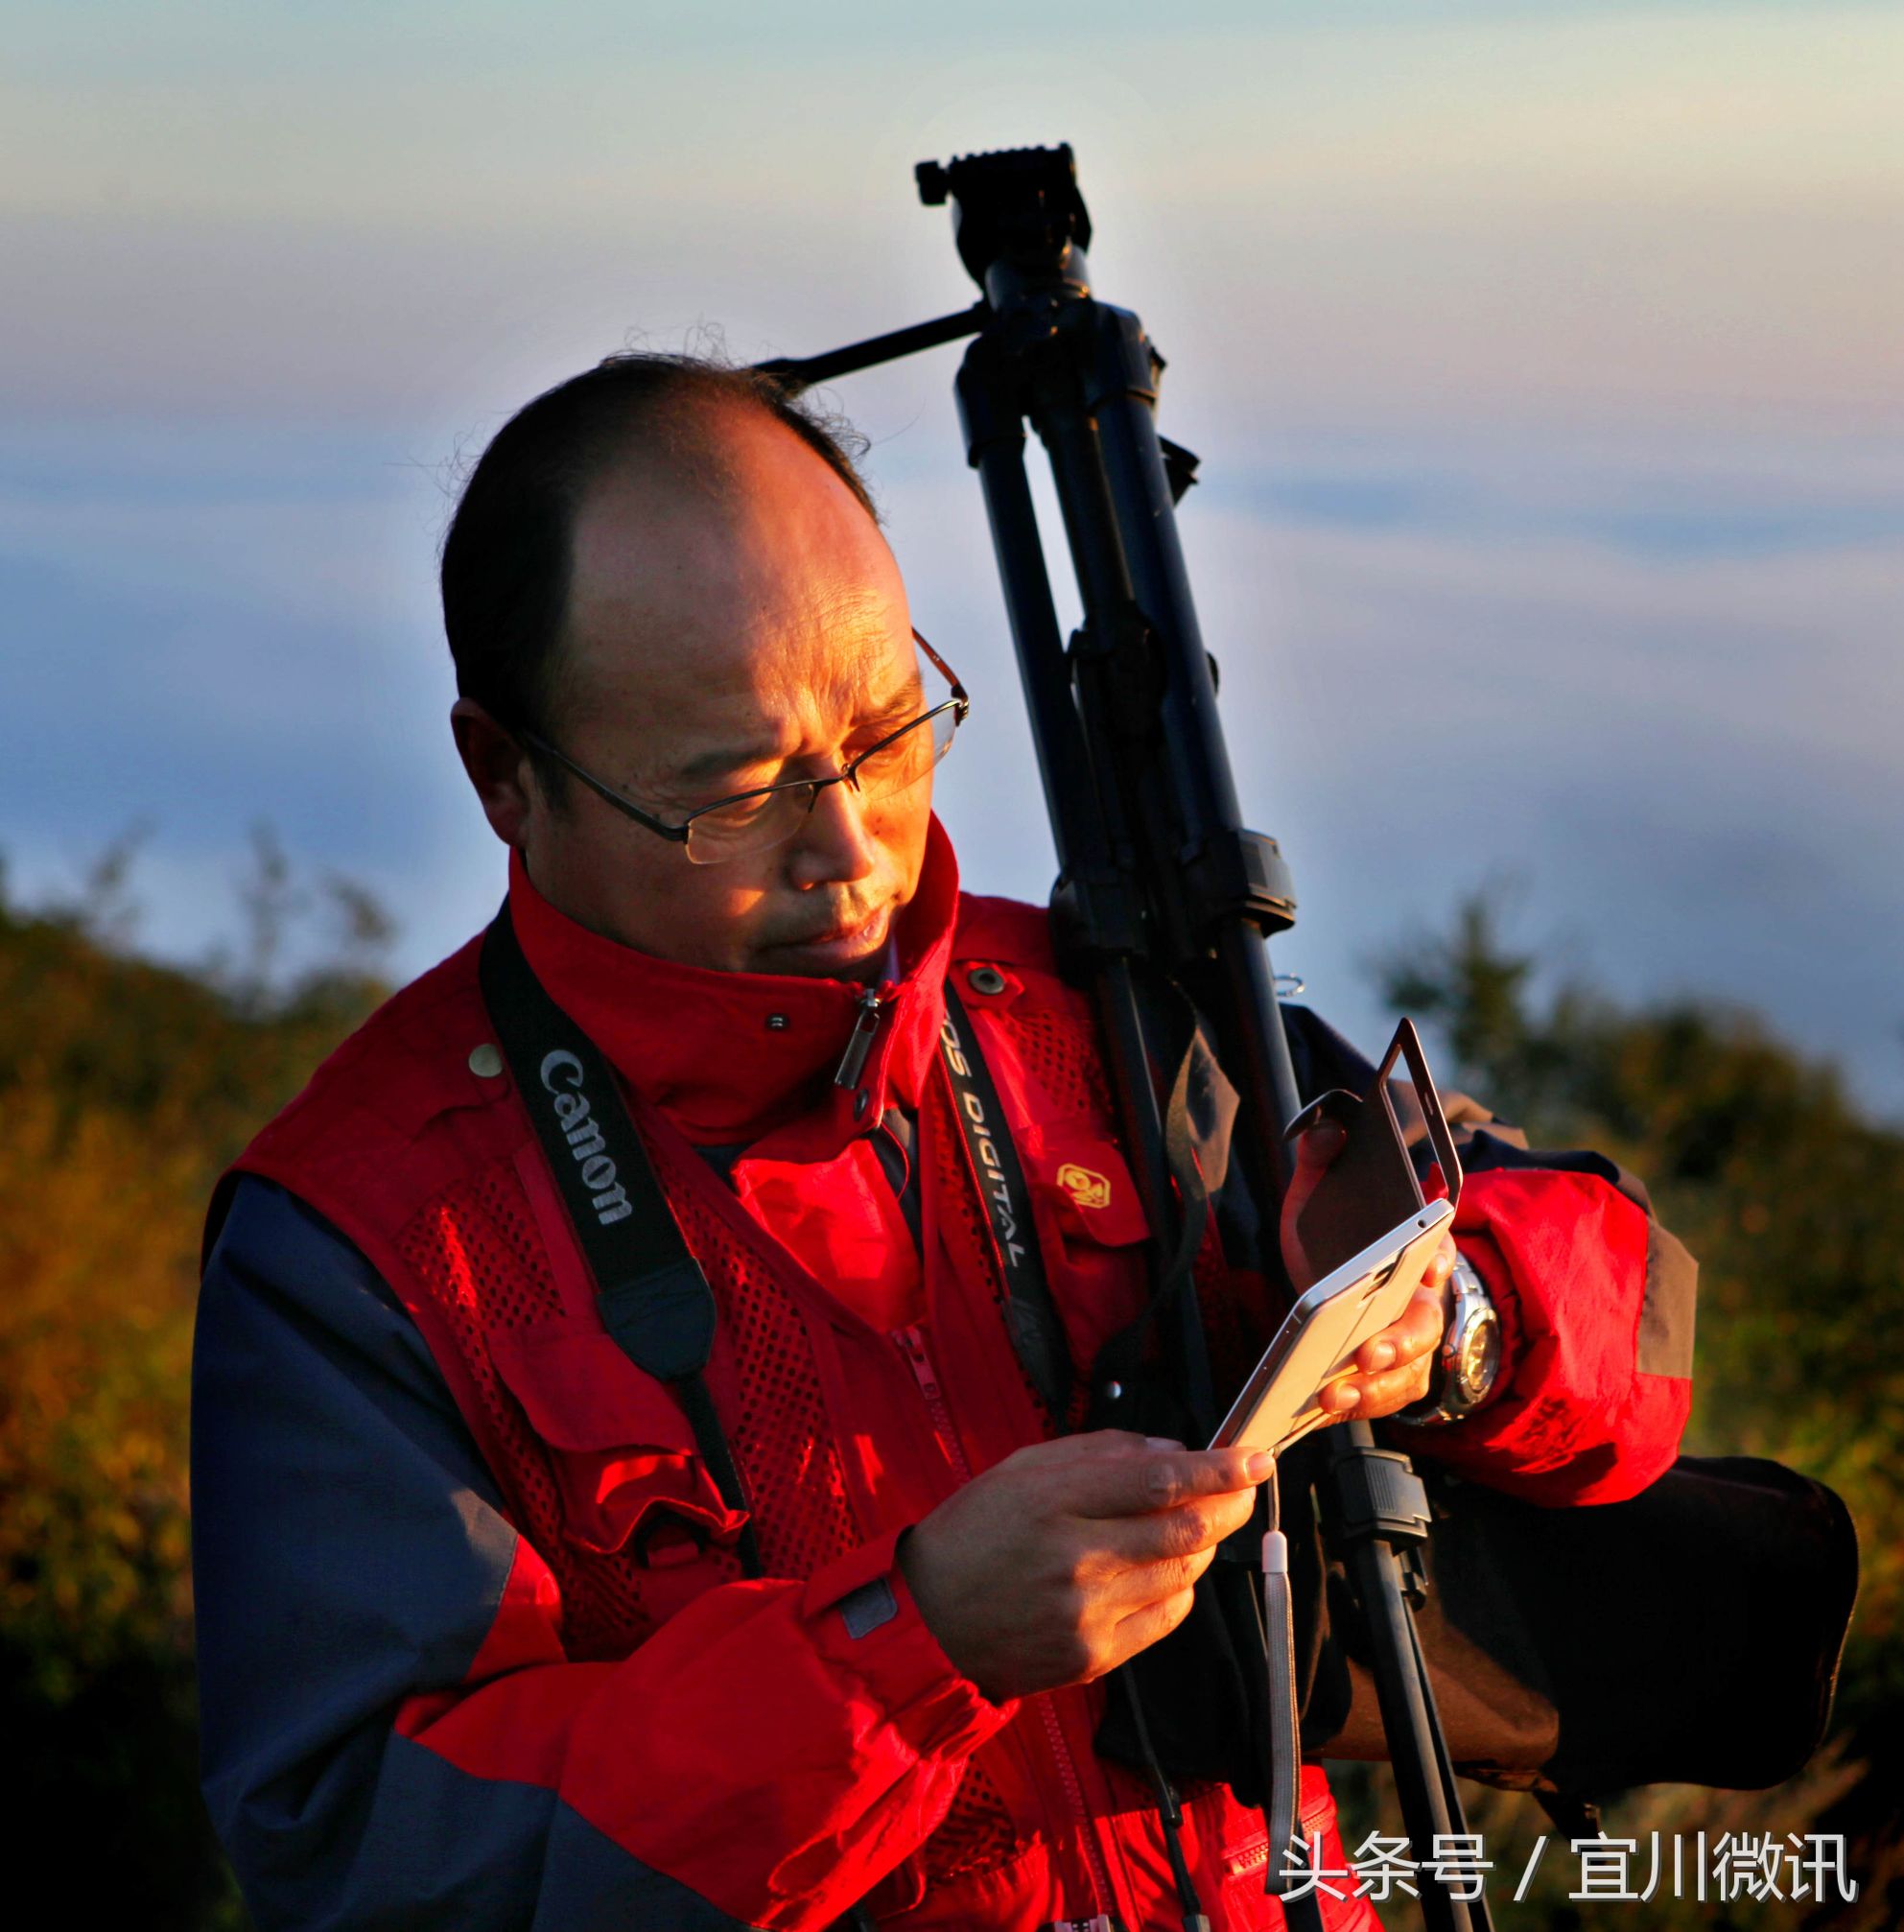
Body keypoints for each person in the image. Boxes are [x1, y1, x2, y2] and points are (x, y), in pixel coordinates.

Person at [192, 354, 1697, 1932]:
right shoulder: (366, 1237)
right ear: (504, 774)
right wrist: (910, 1650)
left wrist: (1452, 1321)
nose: (848, 849)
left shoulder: (1097, 1011)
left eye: (889, 730)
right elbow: (376, 1859)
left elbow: (1626, 1311)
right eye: (732, 794)